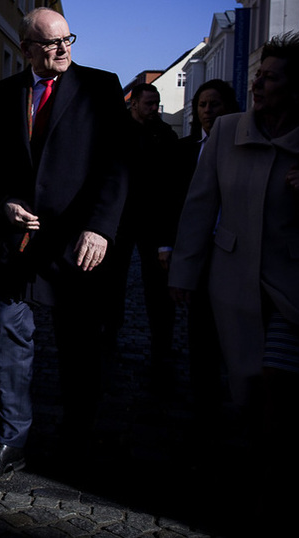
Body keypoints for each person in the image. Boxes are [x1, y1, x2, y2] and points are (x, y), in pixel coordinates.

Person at [169, 35, 299, 531]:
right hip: (233, 285)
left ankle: (269, 499)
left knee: (279, 385)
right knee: (248, 391)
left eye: (270, 76)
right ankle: (266, 468)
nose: (258, 81)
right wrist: (185, 271)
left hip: (297, 287)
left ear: (298, 89)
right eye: (259, 73)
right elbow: (199, 206)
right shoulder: (227, 131)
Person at [0, 7, 127, 478]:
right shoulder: (2, 96)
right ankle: (11, 440)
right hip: (16, 248)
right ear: (26, 48)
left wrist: (101, 227)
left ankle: (74, 441)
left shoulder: (99, 88)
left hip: (76, 248)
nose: (62, 49)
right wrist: (3, 204)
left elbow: (118, 164)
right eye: (50, 43)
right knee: (9, 346)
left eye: (68, 39)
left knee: (78, 351)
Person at [167, 79, 238, 424]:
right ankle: (204, 400)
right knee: (199, 330)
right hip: (196, 252)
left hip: (234, 253)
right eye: (203, 105)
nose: (209, 111)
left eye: (216, 104)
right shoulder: (184, 150)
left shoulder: (241, 147)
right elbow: (171, 204)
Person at [104, 82, 178, 386]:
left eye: (157, 104)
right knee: (111, 283)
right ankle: (108, 336)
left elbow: (171, 185)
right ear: (133, 104)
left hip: (152, 222)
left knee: (158, 289)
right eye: (149, 104)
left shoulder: (165, 135)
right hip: (118, 220)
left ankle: (162, 348)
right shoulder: (113, 130)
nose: (154, 109)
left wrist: (167, 237)